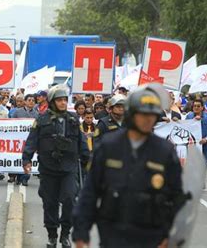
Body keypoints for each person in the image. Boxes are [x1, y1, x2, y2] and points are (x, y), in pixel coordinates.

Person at [72, 85, 186, 248]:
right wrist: (81, 232)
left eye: (152, 115)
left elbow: (176, 197)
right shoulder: (109, 146)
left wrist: (172, 235)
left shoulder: (165, 152)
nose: (148, 119)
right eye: (143, 114)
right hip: (113, 231)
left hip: (151, 234)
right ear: (132, 114)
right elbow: (90, 191)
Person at [22, 85, 89, 248]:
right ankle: (52, 235)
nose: (63, 103)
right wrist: (26, 160)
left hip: (69, 167)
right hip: (48, 168)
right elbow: (31, 141)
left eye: (65, 100)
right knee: (50, 203)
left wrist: (88, 161)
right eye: (59, 100)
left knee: (69, 200)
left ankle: (65, 234)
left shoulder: (73, 119)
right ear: (52, 102)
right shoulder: (41, 120)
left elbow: (82, 142)